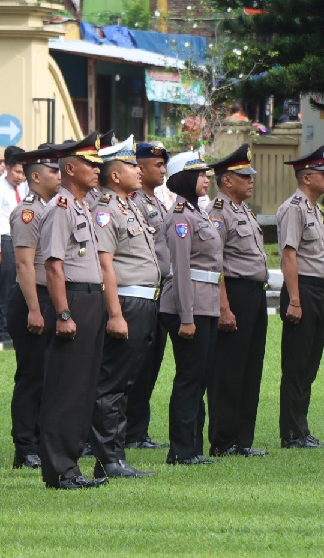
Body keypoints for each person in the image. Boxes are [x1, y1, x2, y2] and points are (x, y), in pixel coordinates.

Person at [37, 132, 108, 489]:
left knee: (83, 387)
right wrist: (64, 314)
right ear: (69, 168)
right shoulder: (61, 208)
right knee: (66, 388)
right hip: (73, 301)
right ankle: (59, 469)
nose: (97, 170)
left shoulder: (82, 206)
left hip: (91, 299)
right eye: (89, 164)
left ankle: (71, 466)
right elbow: (53, 265)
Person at [89, 135, 162, 479]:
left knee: (126, 383)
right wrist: (115, 313)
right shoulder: (105, 210)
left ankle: (114, 454)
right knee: (112, 382)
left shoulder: (129, 205)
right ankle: (108, 459)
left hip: (144, 301)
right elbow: (105, 265)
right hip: (127, 303)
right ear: (115, 175)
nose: (138, 169)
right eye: (131, 164)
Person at [205, 144, 269, 457]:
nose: (250, 180)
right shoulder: (218, 213)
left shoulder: (244, 210)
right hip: (234, 293)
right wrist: (223, 307)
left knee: (250, 369)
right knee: (228, 371)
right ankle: (223, 439)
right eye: (244, 176)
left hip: (255, 295)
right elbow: (213, 262)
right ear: (227, 180)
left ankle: (243, 439)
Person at [159, 151, 222, 465]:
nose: (206, 178)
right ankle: (182, 449)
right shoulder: (181, 215)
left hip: (205, 303)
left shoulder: (200, 212)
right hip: (188, 306)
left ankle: (193, 447)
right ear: (184, 178)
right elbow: (181, 268)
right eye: (199, 174)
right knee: (189, 376)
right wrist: (186, 316)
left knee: (200, 376)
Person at [277, 145, 324, 448]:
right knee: (297, 365)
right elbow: (288, 255)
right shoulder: (294, 208)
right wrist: (295, 300)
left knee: (309, 364)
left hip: (318, 291)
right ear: (307, 176)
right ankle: (291, 433)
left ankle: (301, 428)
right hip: (303, 290)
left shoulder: (313, 208)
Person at [7, 145, 60, 470]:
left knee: (48, 375)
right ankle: (25, 446)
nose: (58, 175)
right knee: (31, 376)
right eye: (53, 171)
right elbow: (25, 265)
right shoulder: (29, 212)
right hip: (33, 298)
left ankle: (41, 441)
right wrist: (34, 310)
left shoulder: (53, 208)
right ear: (36, 176)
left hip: (49, 298)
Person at [125, 141, 171, 450]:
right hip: (139, 293)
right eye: (157, 165)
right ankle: (129, 430)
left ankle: (138, 431)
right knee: (135, 366)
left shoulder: (159, 201)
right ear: (140, 168)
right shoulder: (134, 202)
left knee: (151, 365)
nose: (163, 168)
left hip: (161, 293)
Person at [0, 146, 26, 343]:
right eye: (17, 171)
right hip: (5, 239)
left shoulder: (20, 189)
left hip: (17, 240)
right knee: (4, 288)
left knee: (14, 286)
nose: (20, 176)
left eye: (22, 172)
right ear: (8, 168)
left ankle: (9, 327)